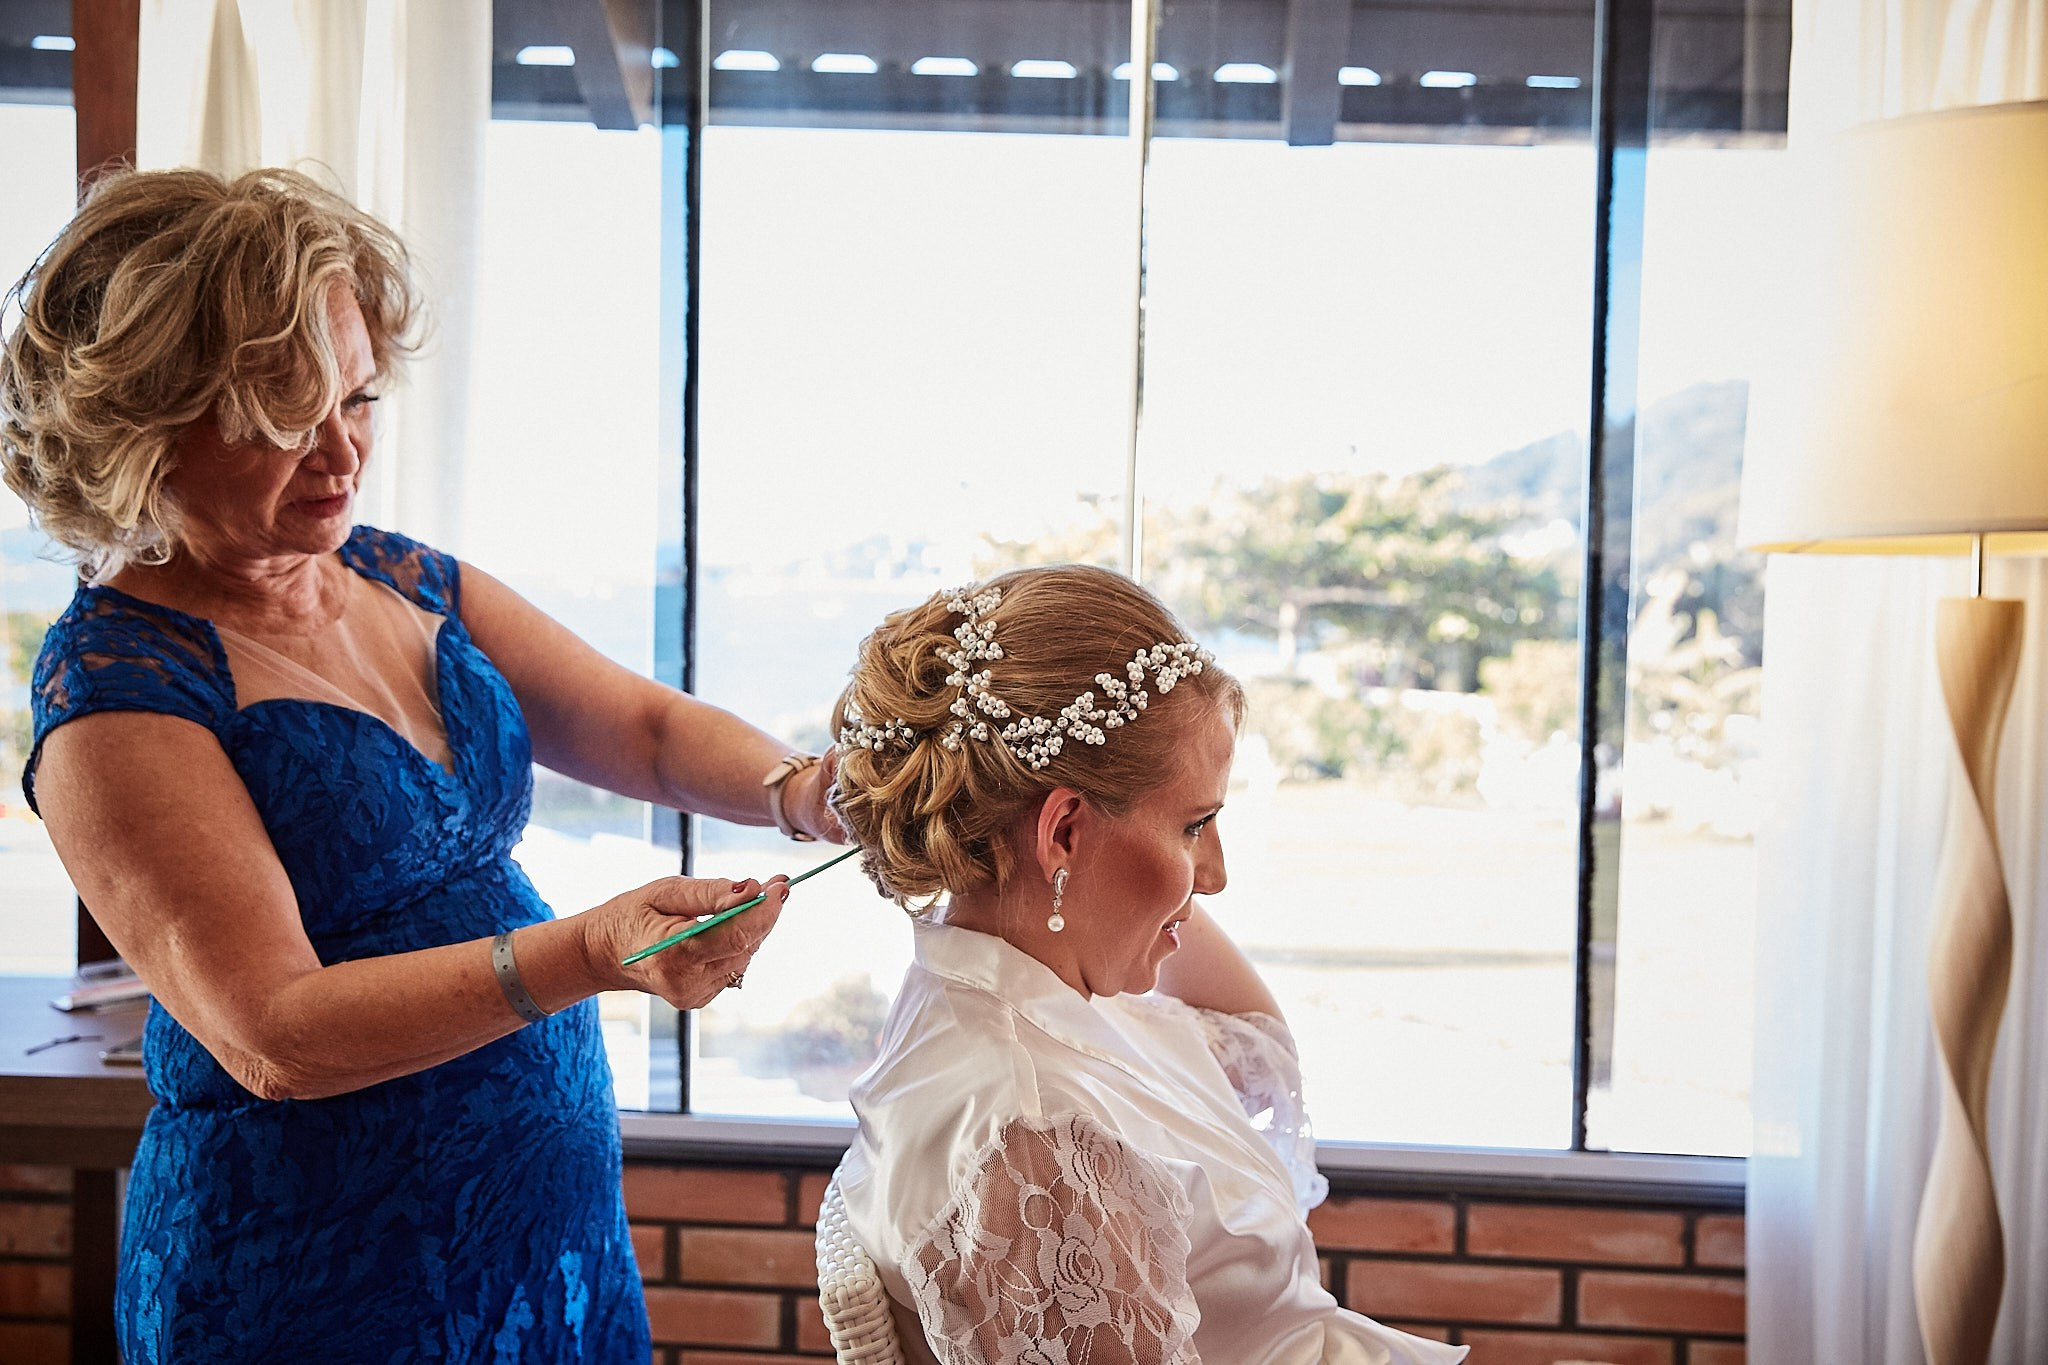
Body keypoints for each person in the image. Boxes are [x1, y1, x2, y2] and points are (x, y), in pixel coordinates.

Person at [0, 167, 840, 1362]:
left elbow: (647, 729)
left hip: (539, 1232)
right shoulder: (116, 695)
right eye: (283, 420)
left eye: (357, 399)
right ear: (146, 429)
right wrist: (590, 954)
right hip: (314, 1269)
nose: (340, 453)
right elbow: (273, 1035)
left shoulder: (403, 578)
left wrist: (805, 792)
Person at [827, 566, 1468, 1364]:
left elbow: (1254, 1041)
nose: (1216, 875)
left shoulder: (1048, 986)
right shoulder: (1032, 1137)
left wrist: (1145, 862)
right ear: (1064, 831)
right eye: (1196, 824)